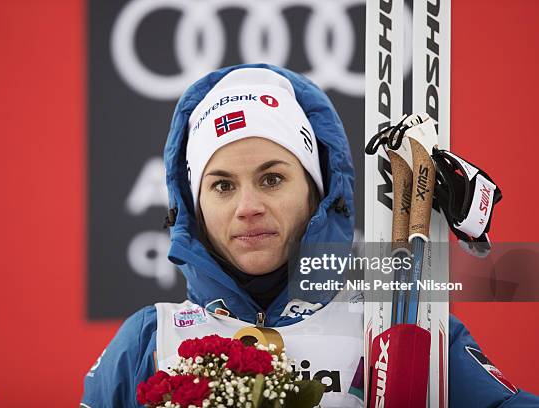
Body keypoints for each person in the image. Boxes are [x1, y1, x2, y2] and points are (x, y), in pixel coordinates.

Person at [80, 64, 539, 407]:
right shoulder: (148, 342)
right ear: (196, 206)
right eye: (222, 185)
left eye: (272, 179)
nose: (247, 207)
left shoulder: (400, 325)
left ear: (317, 194)